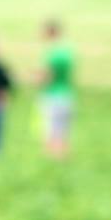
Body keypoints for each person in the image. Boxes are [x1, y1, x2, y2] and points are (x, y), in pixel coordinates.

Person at [36, 19, 75, 159]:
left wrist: (35, 78)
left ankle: (52, 162)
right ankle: (63, 162)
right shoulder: (67, 51)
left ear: (50, 32)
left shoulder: (52, 53)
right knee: (63, 134)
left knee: (51, 135)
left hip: (52, 96)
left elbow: (47, 77)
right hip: (67, 95)